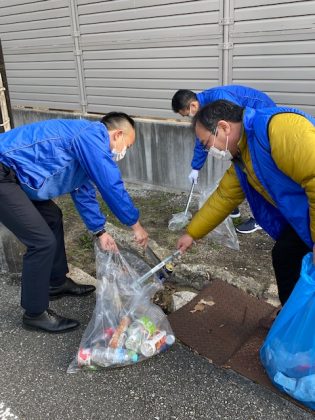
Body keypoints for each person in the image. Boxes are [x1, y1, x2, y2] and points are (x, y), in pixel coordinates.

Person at [0, 112, 149, 333]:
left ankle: (56, 283)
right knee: (41, 242)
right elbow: (110, 184)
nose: (123, 152)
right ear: (117, 134)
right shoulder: (91, 136)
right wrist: (135, 224)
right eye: (128, 144)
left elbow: (82, 190)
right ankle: (34, 313)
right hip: (3, 173)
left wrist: (100, 232)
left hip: (16, 178)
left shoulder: (84, 145)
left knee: (52, 217)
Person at [177, 100, 315, 314]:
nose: (209, 150)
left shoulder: (279, 128)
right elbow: (224, 197)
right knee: (285, 256)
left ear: (224, 127)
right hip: (305, 216)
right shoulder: (243, 156)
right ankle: (292, 319)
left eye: (207, 143)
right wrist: (191, 233)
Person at [171, 85, 276, 233]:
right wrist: (196, 167)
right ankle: (233, 208)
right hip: (248, 128)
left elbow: (238, 125)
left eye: (186, 114)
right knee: (238, 170)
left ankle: (261, 219)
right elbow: (202, 140)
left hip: (262, 118)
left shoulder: (220, 98)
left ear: (193, 105)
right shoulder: (204, 109)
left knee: (256, 171)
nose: (188, 117)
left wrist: (244, 150)